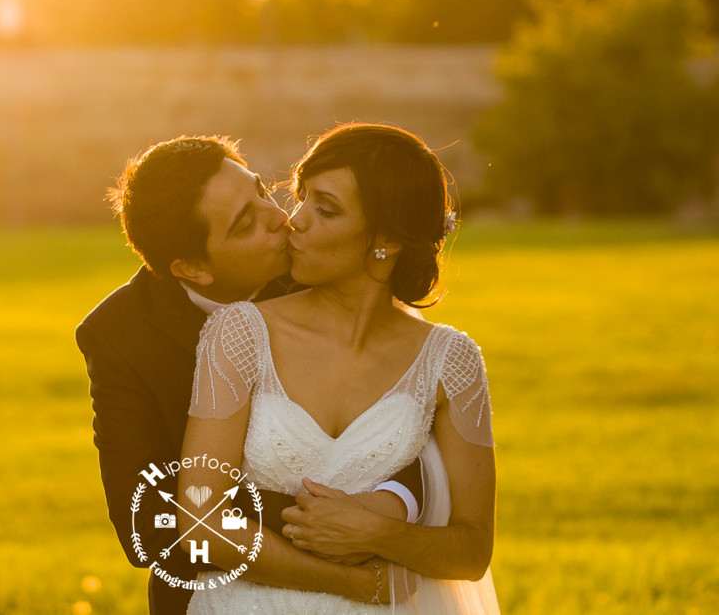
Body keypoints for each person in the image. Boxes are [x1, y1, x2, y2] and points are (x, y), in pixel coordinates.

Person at [76, 135, 424, 614]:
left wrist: (388, 507)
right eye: (245, 224)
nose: (280, 218)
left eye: (260, 191)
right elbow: (148, 528)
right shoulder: (118, 334)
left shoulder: (320, 266)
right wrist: (325, 533)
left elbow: (407, 414)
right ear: (193, 268)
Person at [178, 124, 500, 613]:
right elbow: (199, 519)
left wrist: (378, 532)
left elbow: (472, 552)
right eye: (301, 197)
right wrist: (352, 583)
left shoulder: (451, 363)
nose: (294, 221)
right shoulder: (240, 334)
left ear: (386, 239)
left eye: (324, 209)